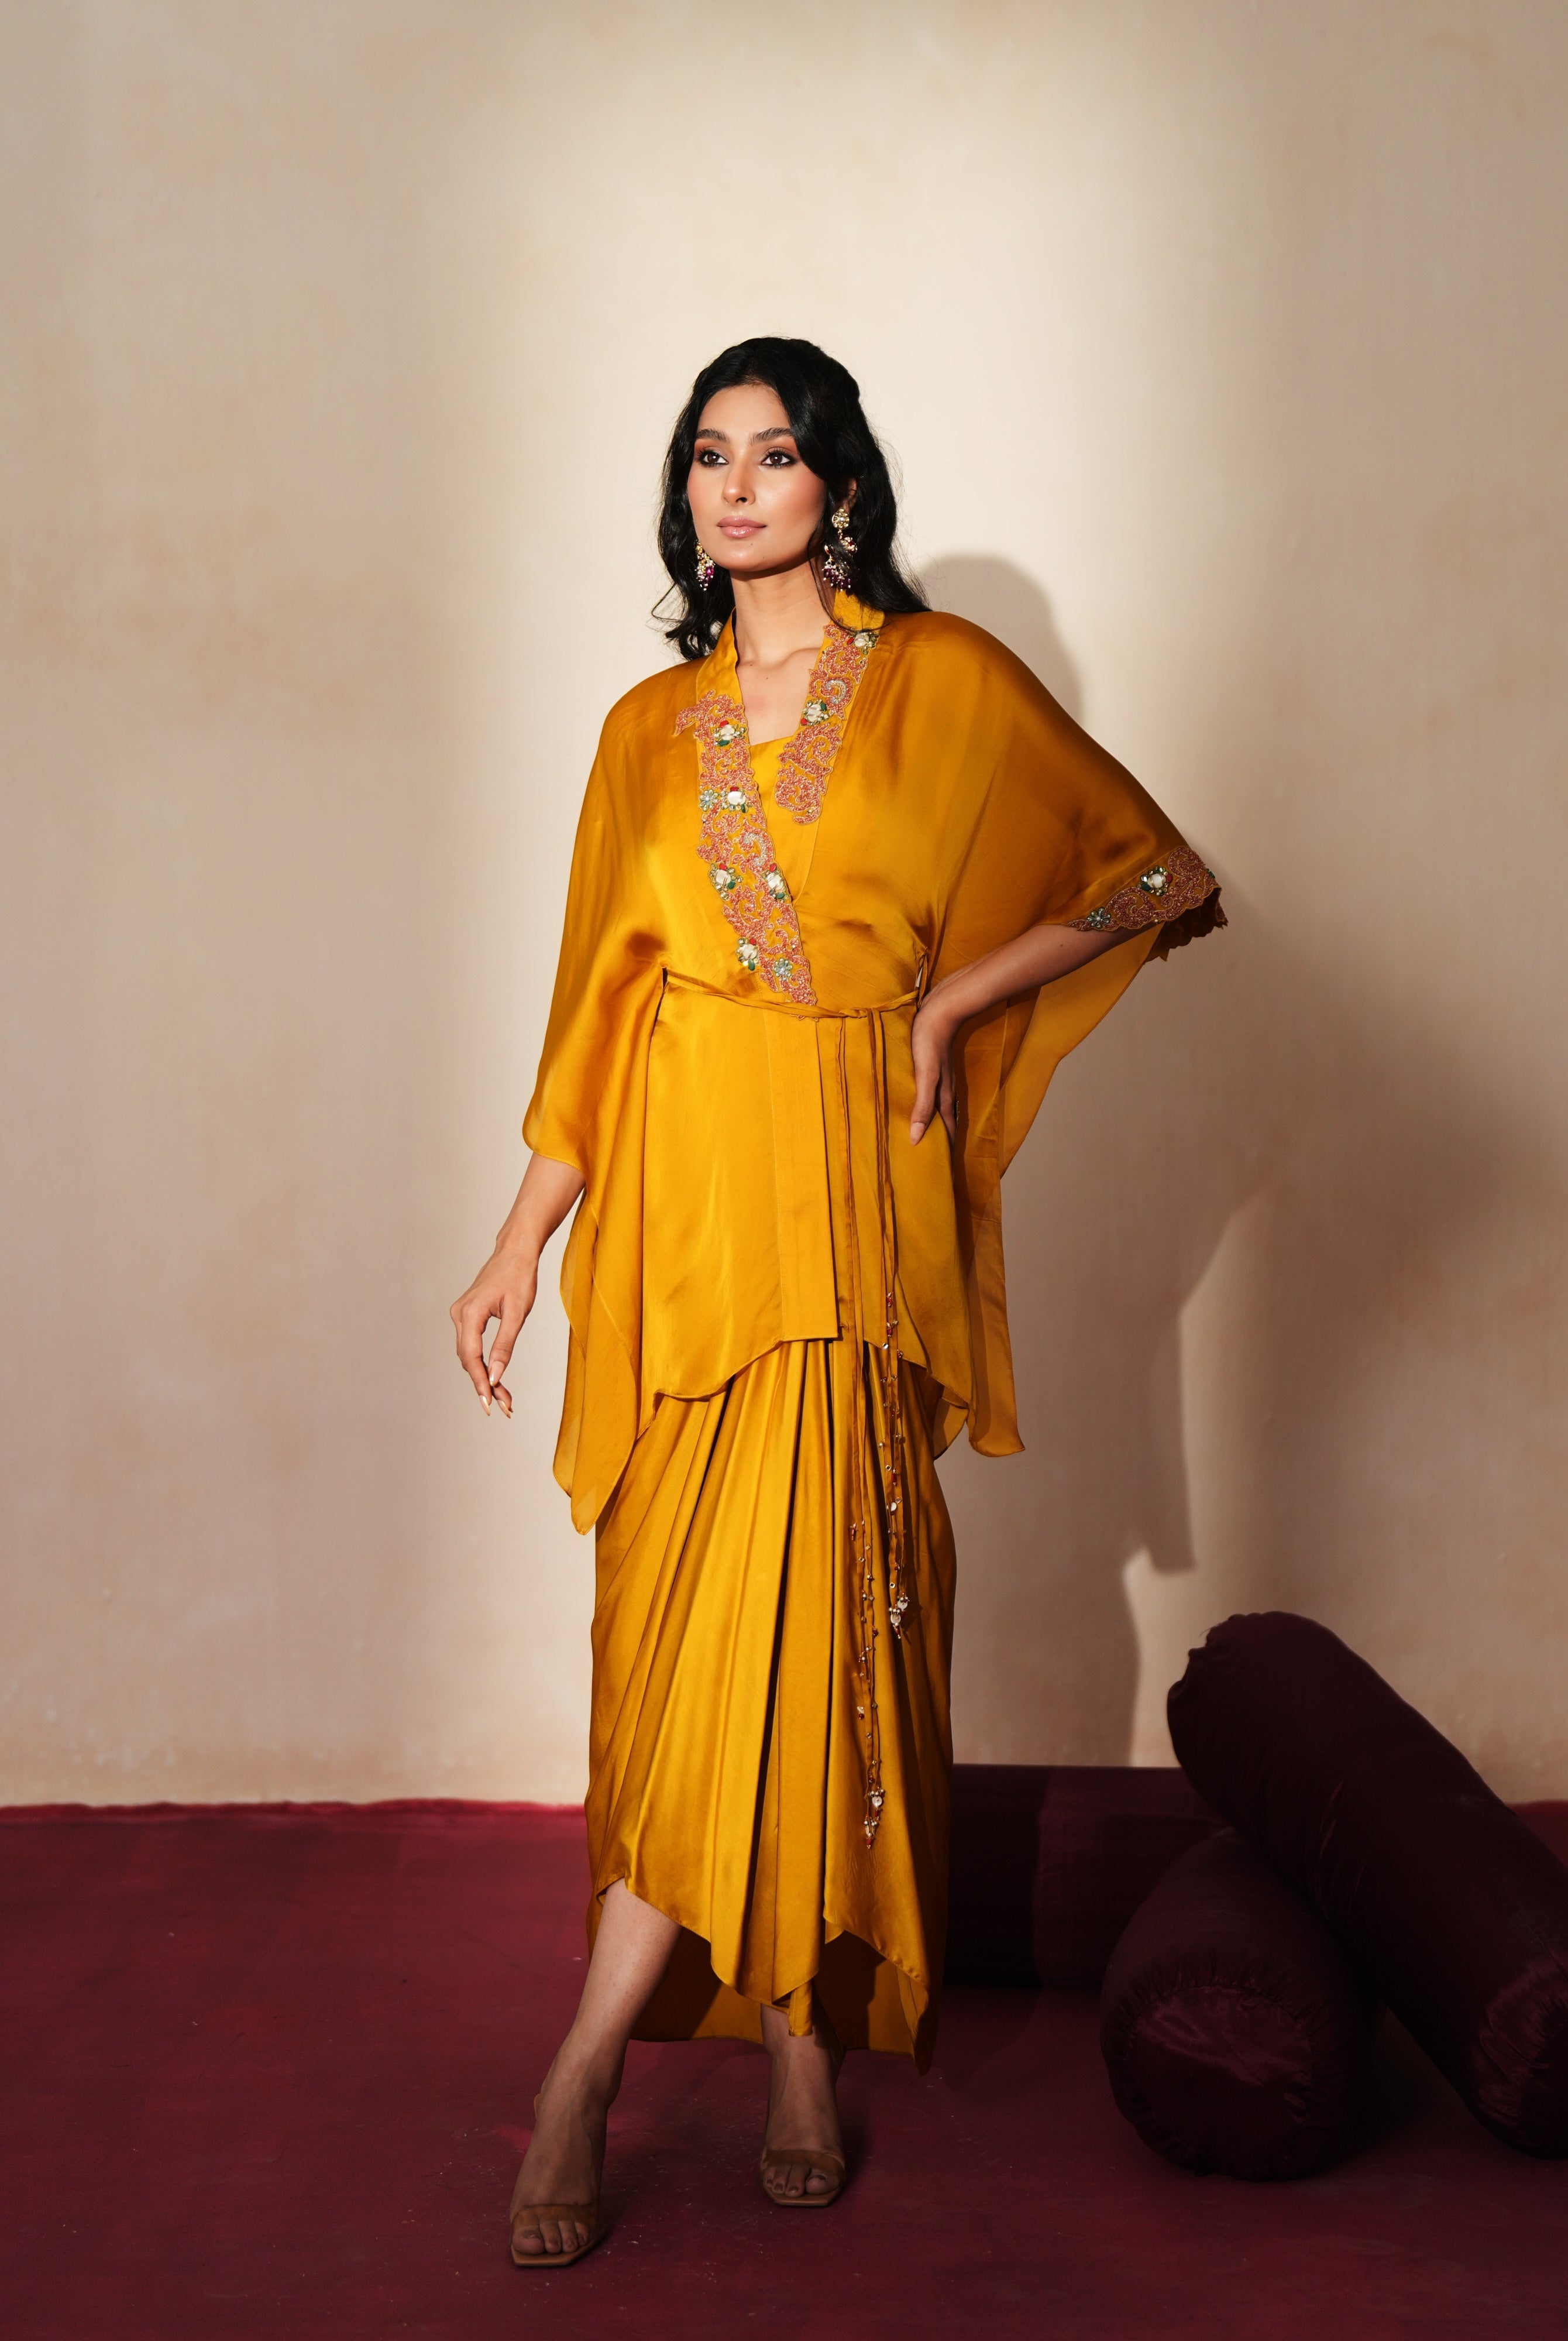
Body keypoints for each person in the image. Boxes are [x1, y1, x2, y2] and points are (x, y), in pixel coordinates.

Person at [450, 337, 1223, 2266]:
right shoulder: (644, 729)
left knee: (838, 1640)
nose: (735, 487)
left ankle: (746, 2046)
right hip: (687, 1223)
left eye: (774, 455)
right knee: (680, 1656)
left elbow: (1153, 871)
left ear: (840, 488)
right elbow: (591, 1018)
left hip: (855, 1203)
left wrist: (958, 998)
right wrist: (518, 1240)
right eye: (707, 455)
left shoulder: (944, 684)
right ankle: (650, 2054)